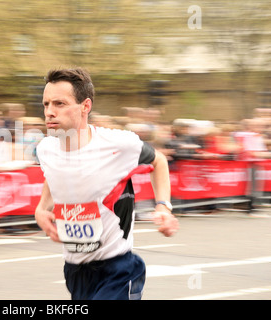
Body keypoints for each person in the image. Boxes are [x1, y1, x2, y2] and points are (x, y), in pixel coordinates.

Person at [34, 68, 178, 300]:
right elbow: (53, 176)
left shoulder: (119, 144)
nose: (49, 112)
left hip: (117, 269)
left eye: (59, 103)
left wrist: (163, 206)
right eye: (46, 104)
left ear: (85, 106)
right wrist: (41, 209)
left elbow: (158, 161)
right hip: (75, 270)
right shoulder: (45, 149)